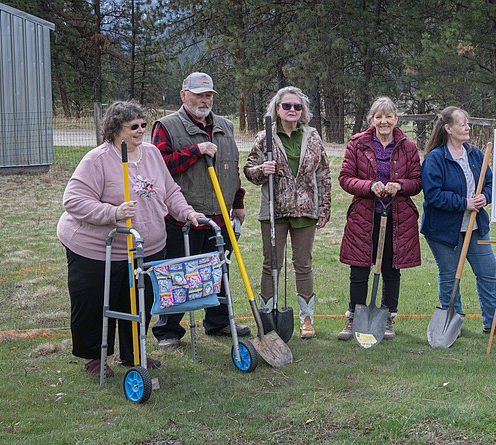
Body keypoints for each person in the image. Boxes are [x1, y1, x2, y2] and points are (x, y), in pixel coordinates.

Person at [58, 101, 205, 377]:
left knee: (138, 301)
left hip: (146, 247)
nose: (140, 131)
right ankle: (94, 357)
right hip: (97, 249)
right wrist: (112, 212)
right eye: (133, 126)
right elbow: (73, 200)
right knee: (94, 302)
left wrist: (186, 212)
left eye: (143, 125)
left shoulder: (151, 154)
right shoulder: (97, 160)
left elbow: (170, 191)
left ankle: (133, 352)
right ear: (115, 130)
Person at [151, 72, 252, 349]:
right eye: (197, 94)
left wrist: (239, 202)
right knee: (178, 274)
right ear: (184, 95)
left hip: (219, 215)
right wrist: (196, 150)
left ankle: (218, 321)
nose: (204, 100)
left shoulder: (224, 126)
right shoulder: (167, 126)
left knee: (219, 271)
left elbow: (231, 167)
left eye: (208, 95)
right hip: (181, 216)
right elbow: (159, 166)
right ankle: (168, 330)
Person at [420, 106, 496, 336]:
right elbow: (433, 195)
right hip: (443, 230)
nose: (467, 127)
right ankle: (452, 321)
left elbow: (490, 184)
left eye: (468, 123)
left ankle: (494, 322)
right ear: (448, 128)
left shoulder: (474, 154)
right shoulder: (435, 159)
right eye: (462, 123)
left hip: (475, 227)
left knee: (487, 271)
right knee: (449, 274)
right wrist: (464, 203)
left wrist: (485, 197)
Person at [243, 86, 332, 339]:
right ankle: (267, 317)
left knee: (303, 265)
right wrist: (263, 169)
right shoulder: (265, 137)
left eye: (297, 106)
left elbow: (323, 173)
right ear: (277, 109)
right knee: (271, 263)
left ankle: (306, 318)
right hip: (274, 211)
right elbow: (249, 171)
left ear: (302, 110)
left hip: (306, 211)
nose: (292, 110)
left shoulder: (313, 136)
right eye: (287, 106)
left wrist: (324, 207)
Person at [338, 97, 422, 340]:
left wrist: (400, 186)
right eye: (378, 117)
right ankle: (354, 315)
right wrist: (369, 186)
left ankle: (387, 317)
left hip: (397, 217)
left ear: (396, 119)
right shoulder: (357, 144)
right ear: (371, 120)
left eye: (388, 116)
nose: (383, 121)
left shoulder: (408, 147)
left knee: (391, 268)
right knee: (359, 268)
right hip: (364, 216)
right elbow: (345, 178)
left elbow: (417, 182)